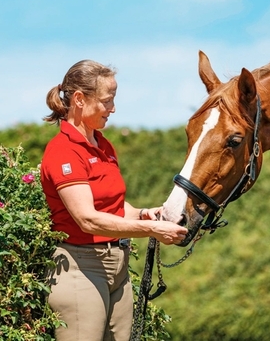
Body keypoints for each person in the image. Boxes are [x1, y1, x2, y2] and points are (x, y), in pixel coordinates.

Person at [40, 59, 188, 341]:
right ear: (80, 100)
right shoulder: (63, 150)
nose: (113, 108)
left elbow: (113, 208)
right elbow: (87, 219)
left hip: (117, 266)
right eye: (107, 101)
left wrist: (146, 214)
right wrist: (152, 230)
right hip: (80, 267)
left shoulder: (103, 145)